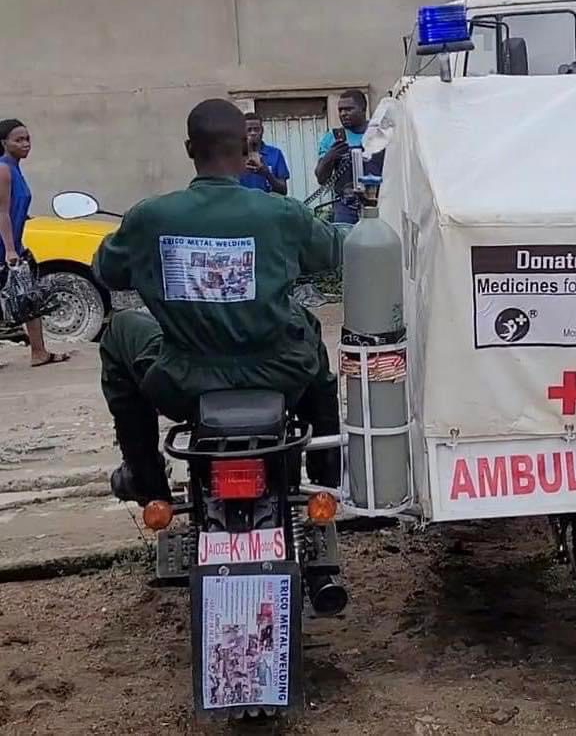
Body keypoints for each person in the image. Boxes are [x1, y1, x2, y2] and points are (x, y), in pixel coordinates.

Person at [93, 99, 344, 504]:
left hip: (182, 382)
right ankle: (328, 474)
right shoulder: (281, 212)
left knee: (120, 329)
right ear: (246, 148)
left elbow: (108, 271)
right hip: (280, 374)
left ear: (190, 149)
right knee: (305, 325)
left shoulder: (150, 216)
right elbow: (333, 251)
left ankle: (147, 479)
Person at [0, 118, 70, 367]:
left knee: (29, 297)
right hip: (5, 248)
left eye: (27, 138)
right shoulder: (3, 169)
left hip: (13, 246)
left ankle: (39, 352)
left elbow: (14, 206)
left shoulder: (14, 167)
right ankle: (38, 352)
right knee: (25, 296)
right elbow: (1, 212)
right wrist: (9, 249)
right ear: (4, 143)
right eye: (19, 140)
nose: (26, 144)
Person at [315, 90, 384, 224]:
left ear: (363, 109)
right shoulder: (331, 138)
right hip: (345, 207)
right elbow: (321, 178)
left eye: (348, 109)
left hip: (379, 202)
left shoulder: (380, 134)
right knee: (345, 242)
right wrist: (330, 157)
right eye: (340, 110)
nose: (343, 114)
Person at [239, 112, 290, 195]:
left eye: (256, 129)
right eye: (249, 130)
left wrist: (267, 174)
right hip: (243, 205)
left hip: (270, 206)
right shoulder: (234, 156)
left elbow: (283, 191)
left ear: (262, 131)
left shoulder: (275, 154)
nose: (253, 133)